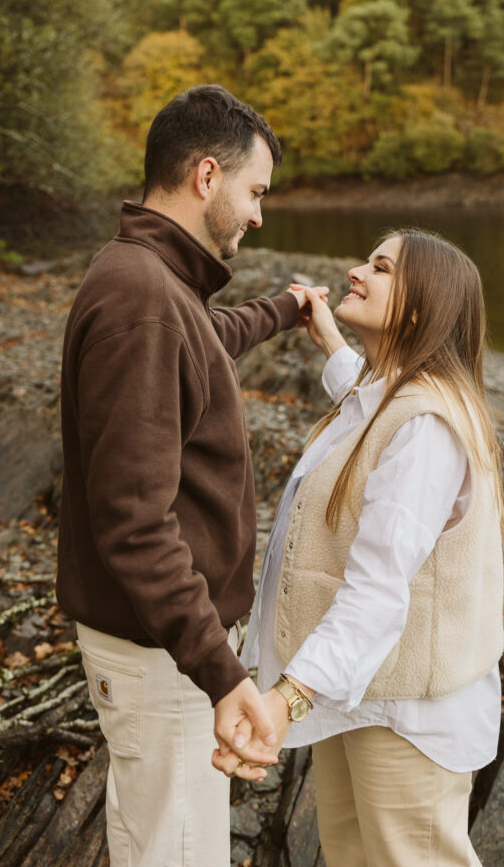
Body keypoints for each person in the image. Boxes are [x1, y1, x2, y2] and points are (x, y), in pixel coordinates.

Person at [57, 84, 326, 867]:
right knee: (172, 854)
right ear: (207, 176)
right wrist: (219, 670)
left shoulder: (152, 281)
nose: (258, 215)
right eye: (255, 192)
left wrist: (284, 308)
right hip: (161, 654)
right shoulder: (142, 299)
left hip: (162, 645)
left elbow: (203, 337)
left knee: (165, 841)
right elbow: (134, 525)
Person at [215, 228, 504, 867]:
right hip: (358, 696)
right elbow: (365, 401)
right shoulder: (392, 396)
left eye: (379, 267)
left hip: (406, 717)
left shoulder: (426, 427)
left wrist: (287, 698)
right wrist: (331, 342)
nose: (354, 270)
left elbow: (376, 590)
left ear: (417, 306)